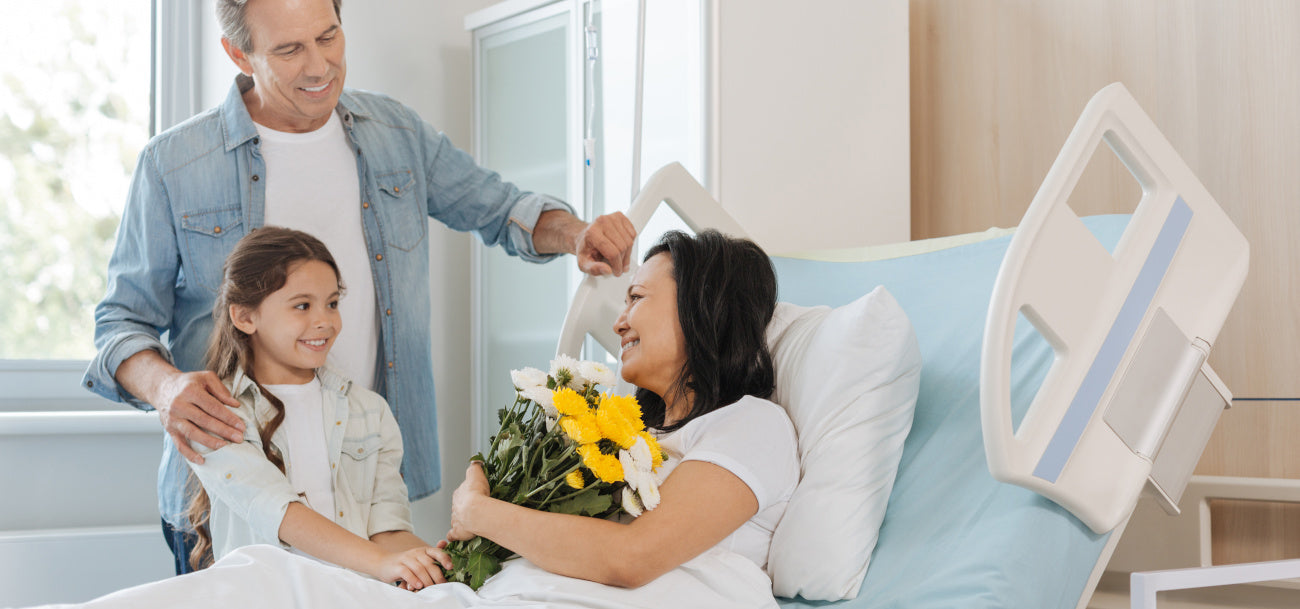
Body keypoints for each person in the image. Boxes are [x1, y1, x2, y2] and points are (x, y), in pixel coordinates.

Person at [81, 0, 636, 574]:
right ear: (238, 53)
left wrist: (577, 235)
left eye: (329, 36)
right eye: (290, 49)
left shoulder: (396, 134)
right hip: (225, 505)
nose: (320, 66)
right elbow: (120, 324)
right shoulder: (173, 164)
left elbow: (501, 209)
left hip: (362, 498)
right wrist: (168, 388)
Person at [41, 230, 799, 609]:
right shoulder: (628, 435)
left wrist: (480, 510)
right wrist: (460, 546)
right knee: (258, 574)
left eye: (637, 297)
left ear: (702, 309)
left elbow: (631, 560)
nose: (620, 319)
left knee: (267, 579)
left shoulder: (750, 427)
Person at [186, 226, 451, 589]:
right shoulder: (214, 414)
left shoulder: (370, 411)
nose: (325, 321)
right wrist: (383, 562)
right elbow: (281, 514)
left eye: (332, 303)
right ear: (245, 317)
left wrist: (437, 564)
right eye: (302, 306)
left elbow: (388, 531)